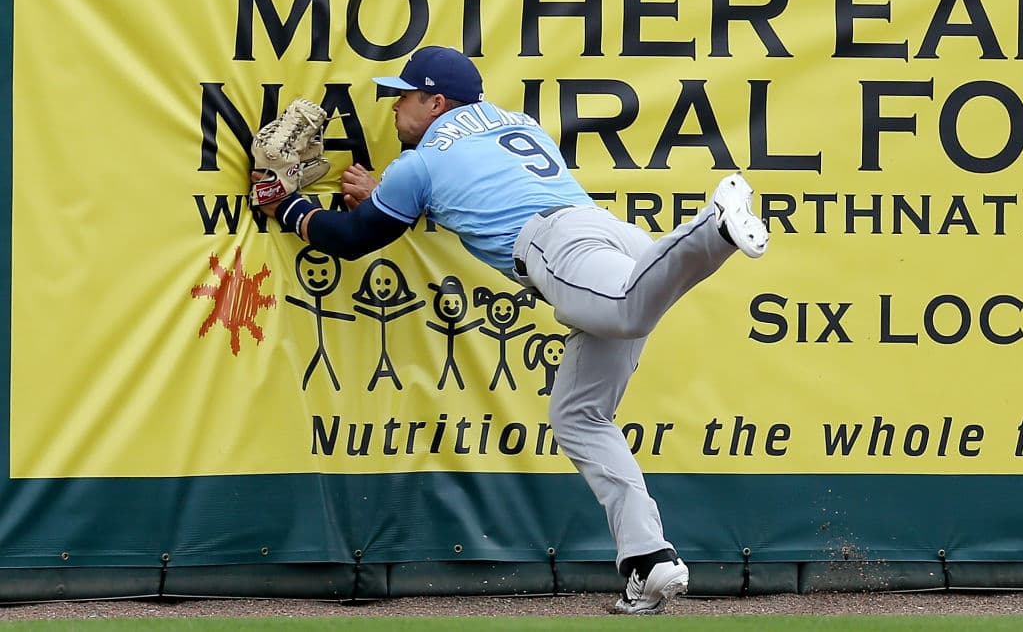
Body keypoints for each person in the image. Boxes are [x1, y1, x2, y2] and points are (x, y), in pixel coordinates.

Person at [252, 45, 769, 615]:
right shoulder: (513, 122)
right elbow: (473, 189)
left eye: (404, 94)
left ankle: (712, 228)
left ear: (436, 100)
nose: (395, 105)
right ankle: (650, 562)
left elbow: (351, 238)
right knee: (580, 416)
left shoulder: (418, 164)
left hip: (559, 249)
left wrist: (287, 206)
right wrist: (386, 193)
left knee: (628, 310)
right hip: (609, 238)